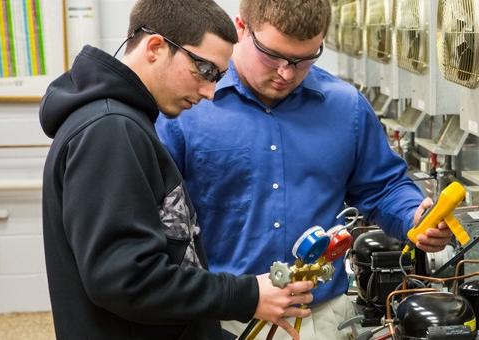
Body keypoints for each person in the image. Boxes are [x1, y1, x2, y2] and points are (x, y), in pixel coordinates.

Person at [155, 0, 455, 338]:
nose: (286, 73)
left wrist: (414, 216)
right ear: (241, 29)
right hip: (223, 319)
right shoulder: (187, 111)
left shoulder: (345, 107)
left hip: (322, 318)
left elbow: (383, 187)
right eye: (272, 55)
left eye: (304, 60)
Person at [39, 1, 314, 339]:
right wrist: (247, 295)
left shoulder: (126, 121)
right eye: (205, 70)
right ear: (155, 47)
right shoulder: (110, 129)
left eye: (219, 76)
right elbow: (128, 280)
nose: (211, 92)